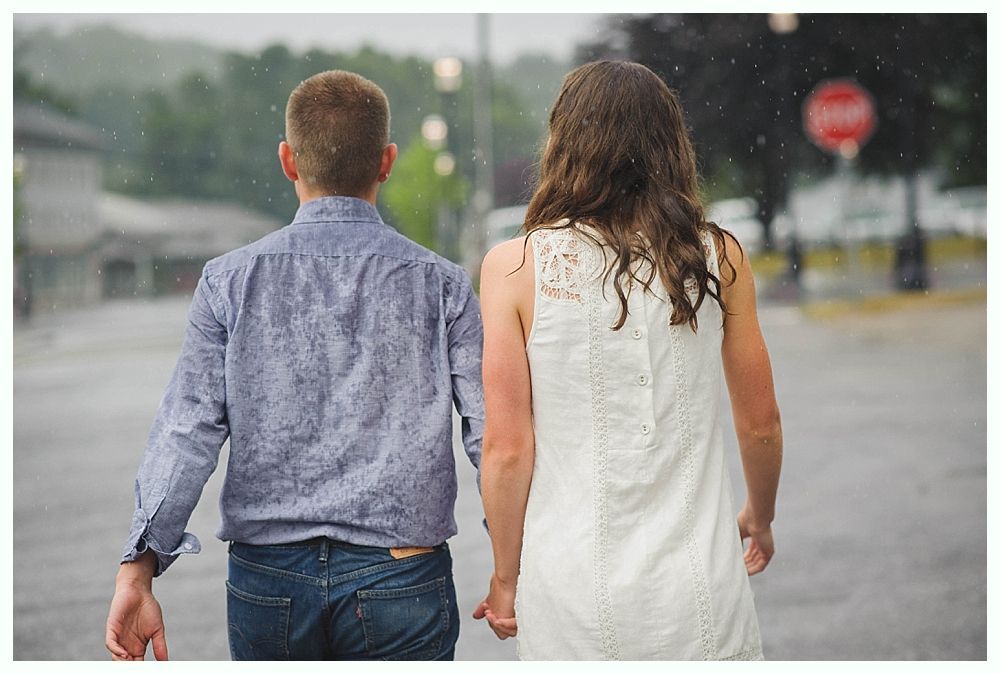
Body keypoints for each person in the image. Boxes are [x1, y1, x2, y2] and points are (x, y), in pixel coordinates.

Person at [104, 70, 484, 661]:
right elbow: (492, 433)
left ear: (287, 160)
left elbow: (189, 429)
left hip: (269, 580)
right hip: (401, 574)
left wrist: (138, 569)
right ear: (386, 162)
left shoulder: (227, 282)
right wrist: (516, 558)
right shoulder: (444, 285)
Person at [473, 61, 782, 660]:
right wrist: (760, 515)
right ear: (671, 146)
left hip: (571, 598)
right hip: (702, 593)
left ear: (563, 145)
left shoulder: (512, 268)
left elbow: (507, 448)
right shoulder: (718, 257)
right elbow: (761, 420)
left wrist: (506, 579)